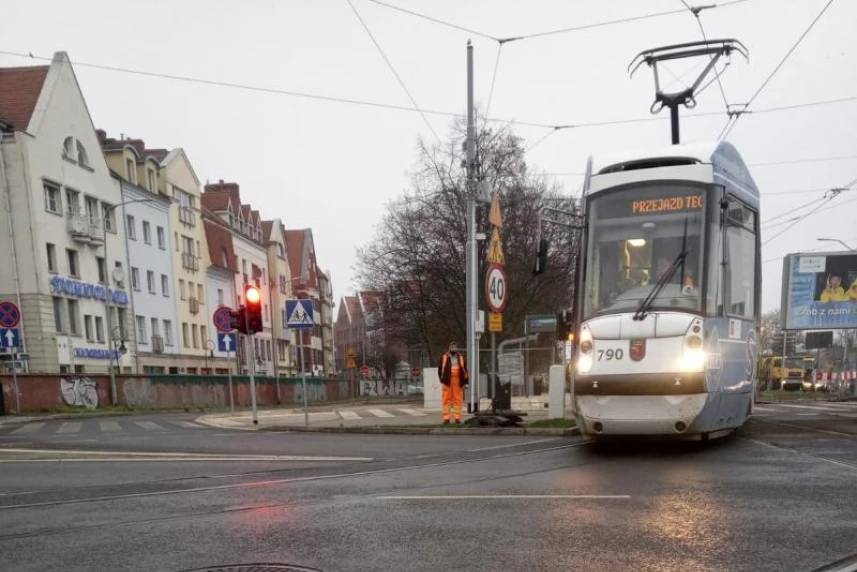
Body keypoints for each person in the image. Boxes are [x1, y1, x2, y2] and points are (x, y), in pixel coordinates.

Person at [437, 342, 469, 424]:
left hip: (458, 381)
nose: (453, 349)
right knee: (446, 399)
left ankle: (457, 418)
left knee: (457, 400)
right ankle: (446, 418)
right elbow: (440, 369)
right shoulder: (444, 357)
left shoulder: (461, 357)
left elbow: (465, 370)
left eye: (454, 347)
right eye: (452, 347)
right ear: (449, 348)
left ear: (457, 348)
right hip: (447, 381)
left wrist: (466, 382)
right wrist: (442, 380)